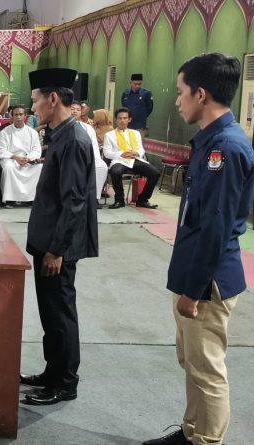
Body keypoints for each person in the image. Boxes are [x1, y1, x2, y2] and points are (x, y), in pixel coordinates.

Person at [144, 53, 254, 445]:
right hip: (194, 271)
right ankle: (193, 432)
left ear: (201, 94)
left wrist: (194, 289)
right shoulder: (211, 142)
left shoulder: (226, 147)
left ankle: (206, 441)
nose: (177, 101)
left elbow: (216, 228)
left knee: (207, 368)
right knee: (191, 360)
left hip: (208, 280)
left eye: (181, 92)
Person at [21, 68, 98, 406]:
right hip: (48, 240)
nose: (32, 107)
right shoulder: (60, 135)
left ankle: (65, 382)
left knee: (61, 312)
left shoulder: (75, 139)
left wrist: (57, 250)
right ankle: (52, 372)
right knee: (50, 313)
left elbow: (74, 201)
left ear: (53, 99)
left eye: (35, 100)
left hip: (58, 246)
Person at [103, 107, 160, 209]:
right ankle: (119, 200)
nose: (122, 121)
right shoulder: (109, 135)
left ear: (129, 119)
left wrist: (136, 153)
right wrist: (122, 154)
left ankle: (142, 200)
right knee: (115, 171)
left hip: (135, 159)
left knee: (155, 173)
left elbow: (141, 149)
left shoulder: (136, 133)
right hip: (120, 160)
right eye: (120, 118)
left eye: (125, 118)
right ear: (116, 120)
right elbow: (107, 153)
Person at [0, 105, 43, 206]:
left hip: (27, 159)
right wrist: (15, 157)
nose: (18, 117)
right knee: (8, 167)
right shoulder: (5, 132)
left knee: (39, 167)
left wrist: (27, 158)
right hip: (10, 159)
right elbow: (1, 150)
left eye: (21, 114)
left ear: (25, 116)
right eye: (16, 115)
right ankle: (10, 199)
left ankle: (30, 198)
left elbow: (36, 150)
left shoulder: (32, 132)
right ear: (12, 116)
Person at [70, 103, 107, 202]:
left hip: (87, 158)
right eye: (72, 109)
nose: (74, 111)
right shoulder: (61, 126)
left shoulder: (88, 128)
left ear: (81, 112)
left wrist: (94, 159)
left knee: (101, 166)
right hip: (69, 158)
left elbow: (94, 145)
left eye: (78, 110)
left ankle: (94, 197)